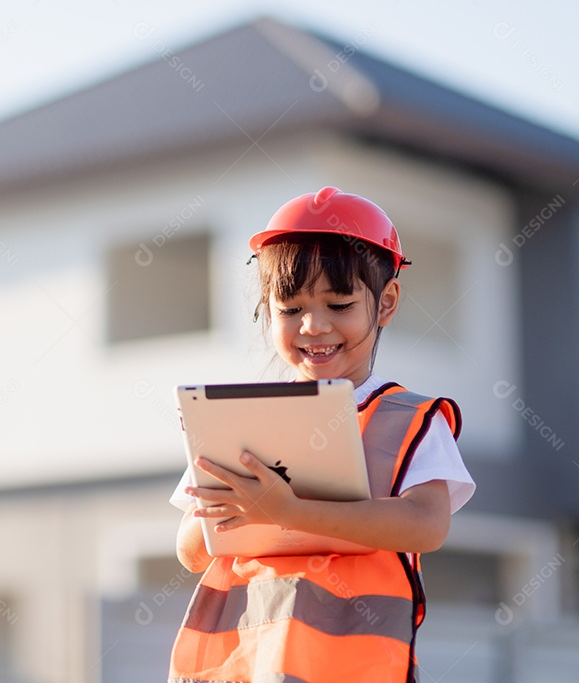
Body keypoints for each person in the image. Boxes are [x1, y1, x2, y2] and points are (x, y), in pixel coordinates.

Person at [167, 187, 475, 683]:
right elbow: (192, 550)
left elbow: (426, 525)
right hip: (245, 668)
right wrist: (232, 505)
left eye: (339, 303)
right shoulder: (238, 420)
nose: (313, 326)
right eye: (289, 309)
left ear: (387, 301)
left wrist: (288, 512)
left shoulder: (411, 418)